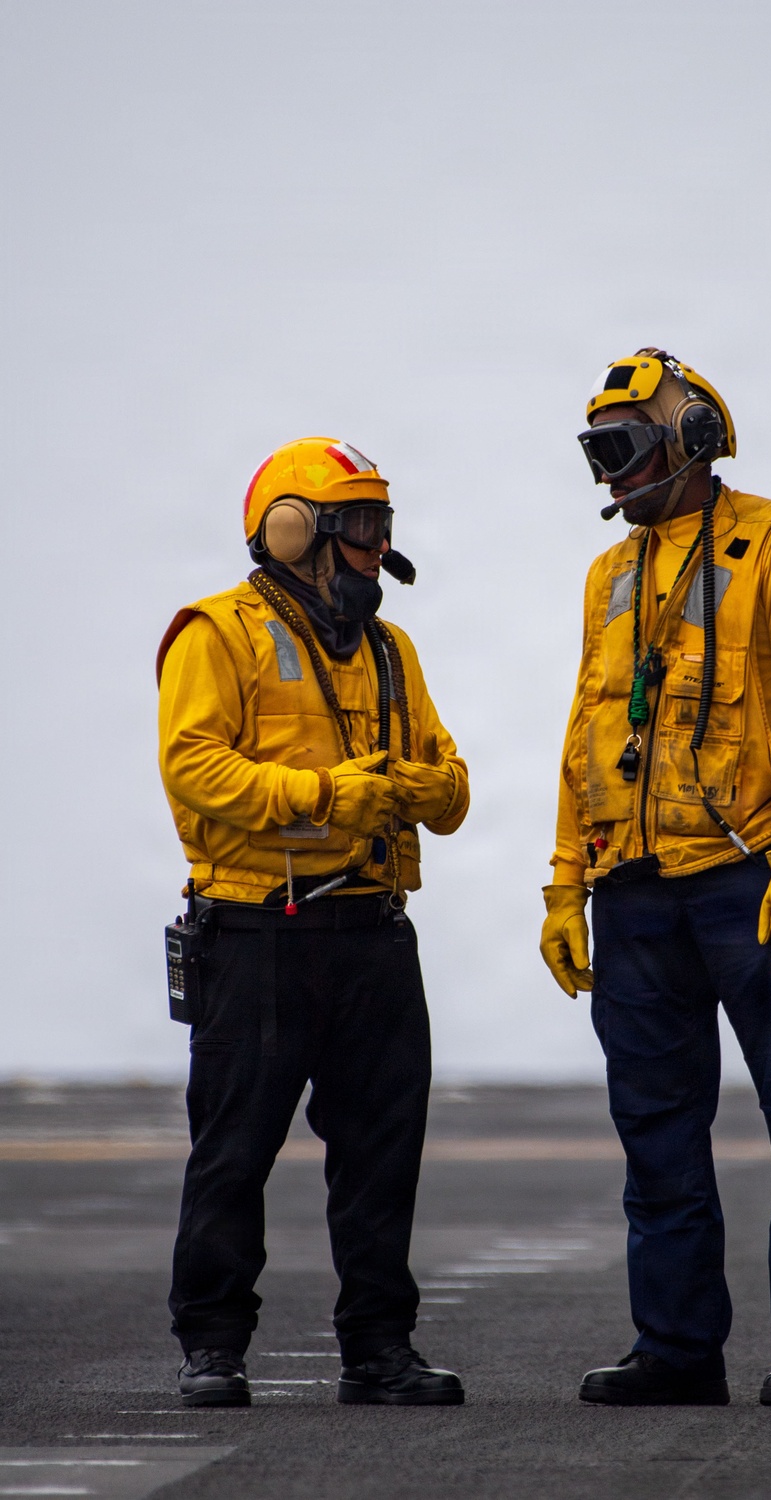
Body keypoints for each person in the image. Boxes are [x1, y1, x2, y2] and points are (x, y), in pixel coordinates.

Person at [540, 349, 771, 1409]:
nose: (610, 476)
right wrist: (564, 883)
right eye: (596, 455)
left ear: (689, 437)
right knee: (654, 1130)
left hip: (748, 880)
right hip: (634, 891)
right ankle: (677, 1349)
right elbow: (587, 727)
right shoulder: (611, 574)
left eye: (626, 448)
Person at [157, 436, 469, 1408]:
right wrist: (329, 796)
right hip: (256, 937)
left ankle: (379, 1351)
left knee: (382, 1153)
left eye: (383, 526)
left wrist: (410, 787)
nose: (379, 547)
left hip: (373, 933)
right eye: (361, 527)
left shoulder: (389, 649)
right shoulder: (218, 633)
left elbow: (451, 790)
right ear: (296, 532)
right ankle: (213, 1345)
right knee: (234, 1149)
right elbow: (193, 765)